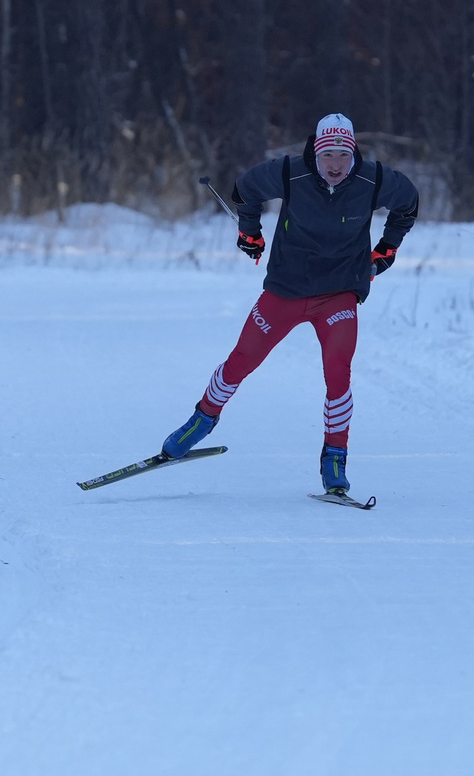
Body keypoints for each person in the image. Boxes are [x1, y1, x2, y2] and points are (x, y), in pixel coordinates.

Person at [160, 113, 420, 498]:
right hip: (286, 290)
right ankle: (201, 421)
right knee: (241, 360)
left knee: (338, 373)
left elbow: (409, 204)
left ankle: (335, 458)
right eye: (327, 154)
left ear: (354, 155)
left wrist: (387, 249)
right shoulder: (289, 172)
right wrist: (250, 233)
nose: (335, 164)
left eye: (343, 155)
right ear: (315, 151)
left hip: (339, 295)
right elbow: (245, 188)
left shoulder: (374, 179)